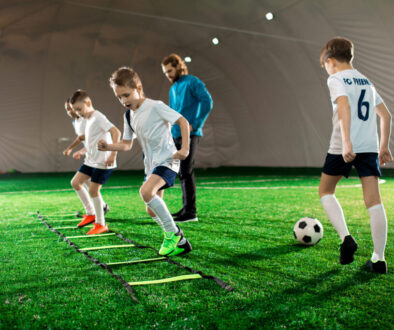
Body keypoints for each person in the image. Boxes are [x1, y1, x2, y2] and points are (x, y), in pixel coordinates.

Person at [98, 66, 192, 256]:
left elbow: (182, 121)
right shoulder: (128, 115)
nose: (123, 101)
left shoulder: (155, 106)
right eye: (119, 97)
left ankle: (173, 234)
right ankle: (181, 242)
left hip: (168, 160)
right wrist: (109, 147)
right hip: (151, 165)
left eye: (126, 95)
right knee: (151, 210)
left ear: (138, 88)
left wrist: (184, 149)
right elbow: (126, 145)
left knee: (146, 191)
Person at [319, 37, 392, 274]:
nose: (326, 70)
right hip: (370, 147)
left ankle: (346, 238)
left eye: (325, 65)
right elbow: (386, 115)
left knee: (326, 191)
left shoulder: (336, 78)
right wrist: (384, 146)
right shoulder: (366, 81)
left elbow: (344, 106)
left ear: (330, 61)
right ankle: (379, 259)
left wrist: (348, 141)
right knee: (374, 202)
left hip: (343, 146)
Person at [161, 54, 213, 223]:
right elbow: (171, 112)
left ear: (178, 67)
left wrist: (195, 124)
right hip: (175, 135)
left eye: (170, 70)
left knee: (186, 170)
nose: (168, 74)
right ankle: (185, 208)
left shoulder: (193, 81)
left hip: (190, 134)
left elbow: (207, 101)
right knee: (181, 172)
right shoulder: (173, 88)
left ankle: (191, 213)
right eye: (165, 72)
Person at [69, 90, 120, 235]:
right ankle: (91, 213)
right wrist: (82, 151)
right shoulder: (88, 119)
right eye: (75, 110)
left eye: (79, 109)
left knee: (93, 191)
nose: (78, 113)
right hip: (91, 161)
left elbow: (116, 132)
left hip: (103, 162)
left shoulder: (98, 117)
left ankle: (101, 224)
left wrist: (112, 154)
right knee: (75, 182)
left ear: (88, 103)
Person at [62, 99, 110, 215]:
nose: (69, 111)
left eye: (71, 108)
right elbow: (84, 139)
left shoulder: (87, 119)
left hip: (98, 156)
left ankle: (92, 212)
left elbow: (90, 139)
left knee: (80, 183)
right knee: (85, 182)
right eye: (67, 109)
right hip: (90, 155)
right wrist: (78, 149)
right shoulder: (75, 121)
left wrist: (79, 150)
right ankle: (100, 208)